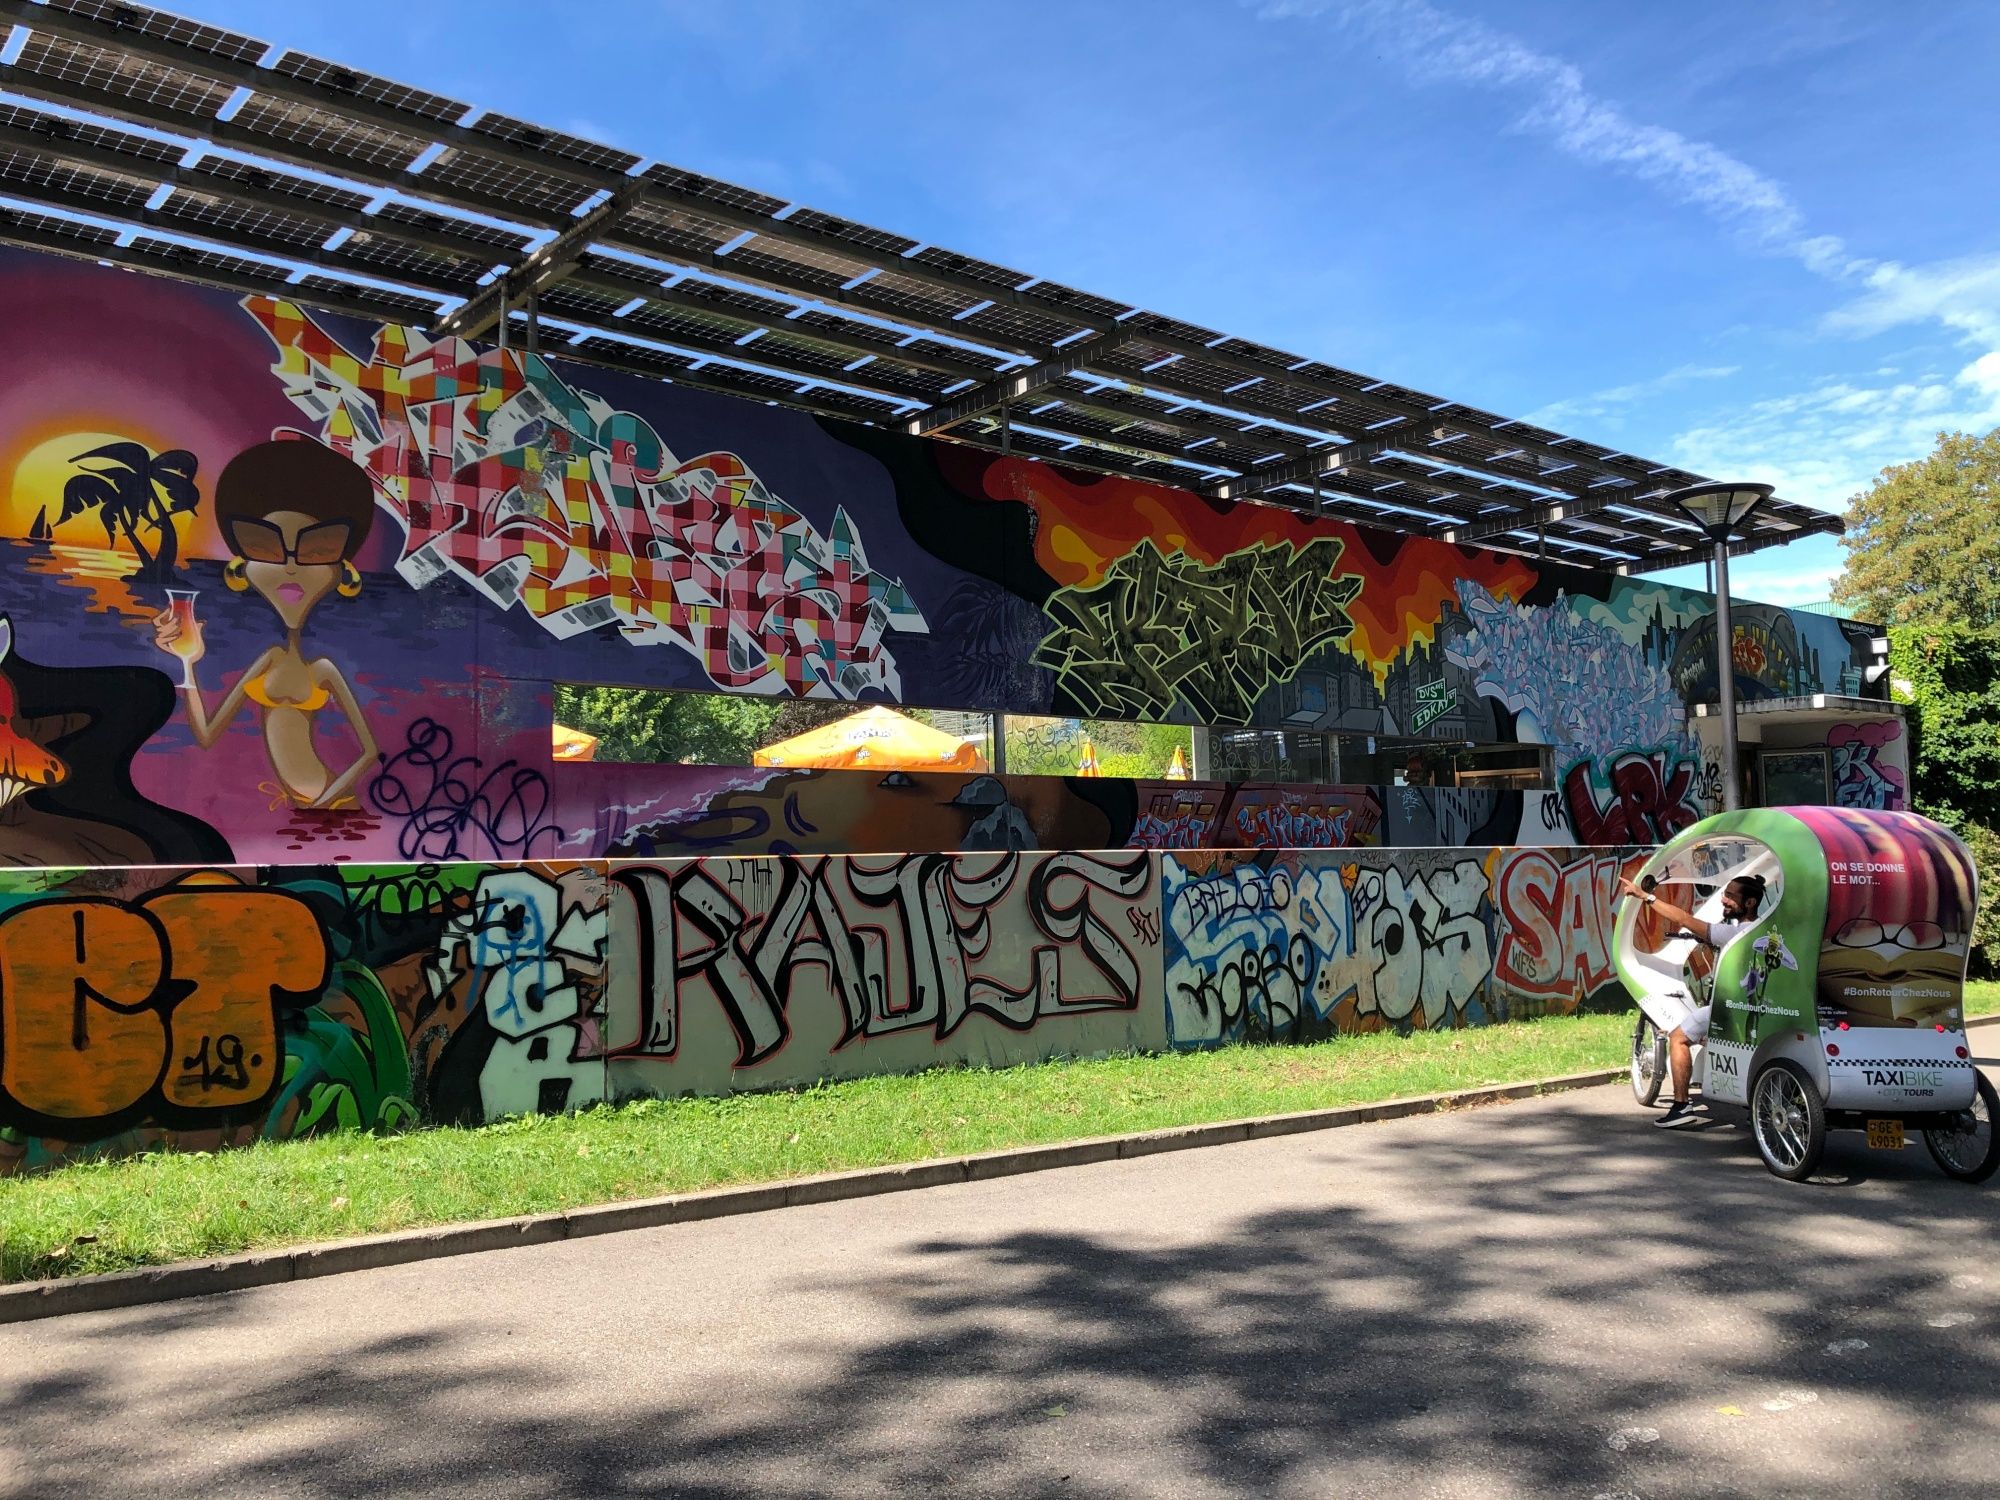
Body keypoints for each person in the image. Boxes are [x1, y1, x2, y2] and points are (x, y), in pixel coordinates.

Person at [152, 439, 378, 810]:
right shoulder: (271, 658)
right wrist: (187, 663)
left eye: (317, 549)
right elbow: (207, 735)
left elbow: (368, 751)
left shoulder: (323, 669)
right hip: (306, 808)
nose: (290, 567)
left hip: (329, 808)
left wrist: (326, 799)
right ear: (241, 564)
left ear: (343, 570)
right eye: (266, 546)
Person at [1616, 871, 1767, 1128]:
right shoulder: (1761, 928)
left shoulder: (1736, 933)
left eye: (1730, 896)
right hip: (1756, 1006)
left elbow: (1684, 918)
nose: (1723, 900)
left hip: (1729, 1007)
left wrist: (1645, 896)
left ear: (1750, 903)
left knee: (1678, 1037)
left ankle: (1682, 1106)